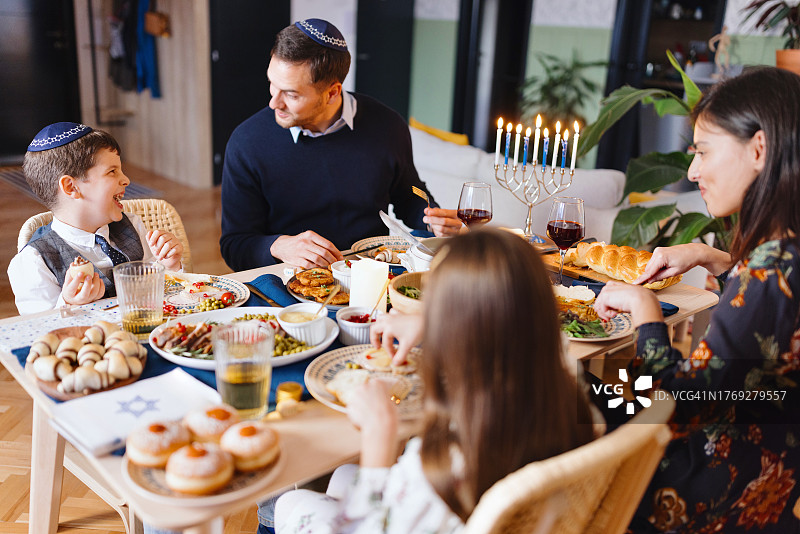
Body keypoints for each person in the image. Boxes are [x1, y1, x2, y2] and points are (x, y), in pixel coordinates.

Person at [270, 229, 598, 533]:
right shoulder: (571, 392)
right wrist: (436, 322)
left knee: (290, 503)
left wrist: (379, 439)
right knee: (342, 475)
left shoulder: (439, 467)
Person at [592, 67, 800, 532]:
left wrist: (648, 315)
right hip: (770, 475)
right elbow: (765, 340)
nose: (692, 171)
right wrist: (717, 260)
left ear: (759, 149)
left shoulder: (769, 269)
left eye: (703, 151)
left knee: (582, 397)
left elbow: (680, 401)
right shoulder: (784, 255)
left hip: (707, 488)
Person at [219, 18, 462, 271]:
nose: (274, 103)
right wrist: (278, 246)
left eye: (291, 94)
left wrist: (433, 220)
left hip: (372, 274)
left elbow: (409, 197)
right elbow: (235, 245)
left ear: (333, 92)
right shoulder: (246, 142)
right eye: (272, 84)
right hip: (289, 286)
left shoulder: (388, 125)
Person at [8, 122, 184, 314]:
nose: (126, 180)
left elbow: (159, 299)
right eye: (112, 171)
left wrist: (169, 267)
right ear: (71, 187)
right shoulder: (33, 263)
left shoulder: (132, 225)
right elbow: (37, 333)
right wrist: (68, 304)